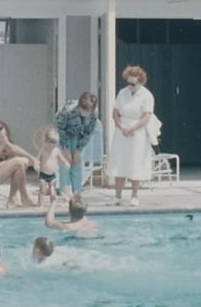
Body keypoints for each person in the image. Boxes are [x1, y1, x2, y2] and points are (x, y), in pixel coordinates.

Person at [109, 66, 160, 207]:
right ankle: (117, 196)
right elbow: (115, 113)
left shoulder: (147, 95)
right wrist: (121, 127)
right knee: (119, 162)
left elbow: (147, 116)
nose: (130, 86)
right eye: (128, 83)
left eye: (133, 84)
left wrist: (132, 128)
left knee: (135, 163)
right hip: (122, 131)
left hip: (138, 132)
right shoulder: (122, 93)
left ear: (141, 82)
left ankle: (134, 195)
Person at [53, 92, 99, 199]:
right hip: (64, 135)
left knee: (77, 161)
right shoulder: (68, 110)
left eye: (88, 110)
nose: (85, 112)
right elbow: (60, 129)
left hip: (79, 136)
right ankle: (65, 191)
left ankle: (76, 191)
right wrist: (65, 149)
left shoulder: (93, 114)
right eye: (83, 109)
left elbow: (88, 132)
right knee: (65, 162)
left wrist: (79, 150)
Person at [35, 128, 70, 206]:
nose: (52, 145)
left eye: (55, 143)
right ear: (45, 141)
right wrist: (36, 165)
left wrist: (66, 163)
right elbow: (37, 159)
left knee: (52, 191)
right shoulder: (42, 150)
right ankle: (40, 205)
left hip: (52, 175)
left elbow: (62, 159)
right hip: (43, 174)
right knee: (42, 190)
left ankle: (53, 205)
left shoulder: (56, 151)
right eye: (50, 142)